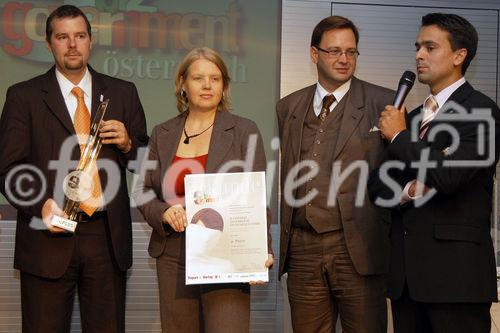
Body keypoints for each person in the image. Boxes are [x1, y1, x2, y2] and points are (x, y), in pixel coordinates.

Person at [0, 5, 148, 332]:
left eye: (79, 36)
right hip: (47, 236)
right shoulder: (23, 97)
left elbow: (146, 164)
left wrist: (127, 144)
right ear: (49, 43)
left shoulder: (123, 93)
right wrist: (41, 206)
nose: (72, 44)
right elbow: (9, 170)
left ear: (90, 41)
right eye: (62, 37)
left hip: (106, 238)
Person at [369, 13, 500, 333]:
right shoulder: (411, 118)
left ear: (459, 56)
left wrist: (400, 139)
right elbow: (378, 187)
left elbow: (450, 176)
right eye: (417, 47)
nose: (418, 55)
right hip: (406, 282)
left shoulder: (482, 111)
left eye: (430, 47)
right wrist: (414, 187)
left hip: (457, 280)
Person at [134, 46, 273, 333]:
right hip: (173, 256)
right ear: (183, 84)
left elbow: (256, 199)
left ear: (224, 86)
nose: (207, 85)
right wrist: (163, 212)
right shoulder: (163, 133)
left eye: (215, 78)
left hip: (226, 257)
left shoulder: (245, 131)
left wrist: (261, 251)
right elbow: (143, 190)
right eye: (198, 78)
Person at [276, 15, 393, 332]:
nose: (344, 59)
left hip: (357, 246)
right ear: (314, 54)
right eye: (334, 51)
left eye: (351, 52)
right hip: (302, 247)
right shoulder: (288, 106)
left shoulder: (384, 102)